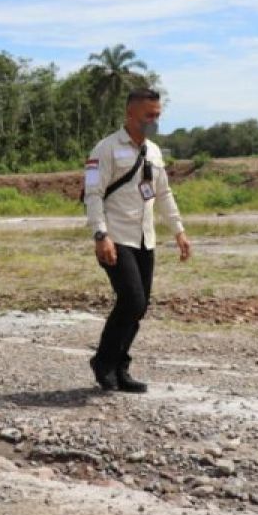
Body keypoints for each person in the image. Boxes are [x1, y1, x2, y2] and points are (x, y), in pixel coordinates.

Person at [83, 88, 191, 393]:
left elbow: (163, 194)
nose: (154, 120)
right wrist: (100, 235)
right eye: (149, 115)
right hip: (116, 237)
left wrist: (179, 231)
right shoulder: (104, 149)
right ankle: (103, 362)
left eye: (157, 115)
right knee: (132, 300)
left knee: (138, 307)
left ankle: (120, 367)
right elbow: (92, 194)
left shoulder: (154, 152)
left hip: (145, 238)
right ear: (130, 114)